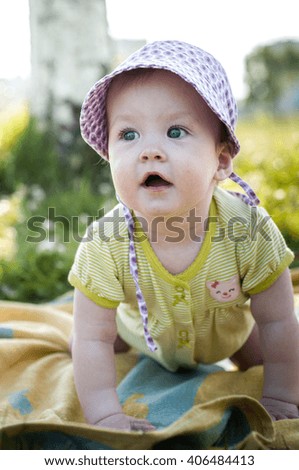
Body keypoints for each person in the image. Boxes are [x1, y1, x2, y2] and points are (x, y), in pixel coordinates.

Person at [68, 40, 299, 431]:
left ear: (221, 161)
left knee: (274, 351)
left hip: (230, 334)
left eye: (176, 131)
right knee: (86, 343)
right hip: (139, 333)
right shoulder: (104, 243)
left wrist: (280, 395)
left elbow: (279, 320)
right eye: (128, 135)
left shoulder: (249, 231)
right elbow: (93, 338)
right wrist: (106, 414)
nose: (149, 152)